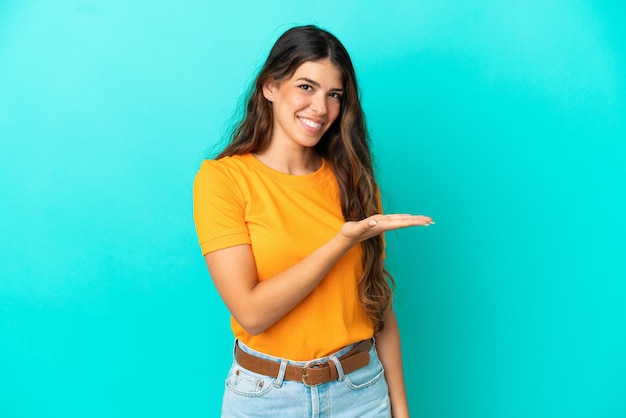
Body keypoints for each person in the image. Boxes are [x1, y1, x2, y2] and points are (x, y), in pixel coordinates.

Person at [193, 25, 433, 418]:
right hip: (266, 398)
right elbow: (252, 312)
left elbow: (377, 304)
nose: (321, 108)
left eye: (334, 94)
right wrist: (342, 241)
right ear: (270, 86)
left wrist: (401, 410)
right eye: (306, 87)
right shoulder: (223, 180)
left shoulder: (353, 181)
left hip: (362, 392)